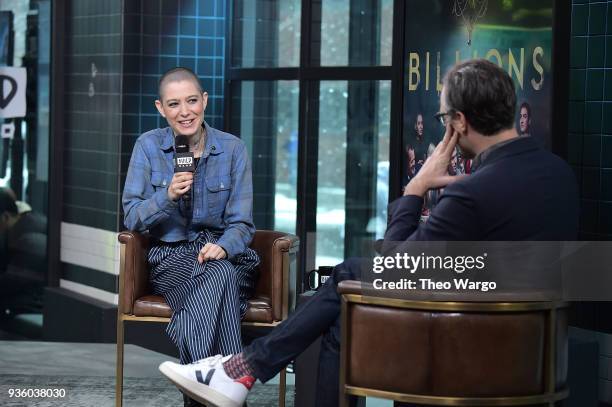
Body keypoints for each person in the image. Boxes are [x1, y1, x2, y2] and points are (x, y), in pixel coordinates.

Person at [158, 59, 579, 407]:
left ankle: (242, 370)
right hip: (533, 346)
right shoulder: (559, 174)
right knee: (346, 311)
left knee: (349, 278)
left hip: (470, 344)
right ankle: (242, 369)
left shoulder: (474, 192)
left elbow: (396, 267)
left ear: (460, 122)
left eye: (443, 118)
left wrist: (415, 189)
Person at [122, 67, 259, 406]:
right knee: (219, 279)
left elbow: (243, 224)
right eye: (174, 104)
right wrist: (165, 196)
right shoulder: (148, 147)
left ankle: (197, 383)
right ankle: (231, 383)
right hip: (172, 260)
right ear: (160, 108)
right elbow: (131, 217)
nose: (185, 112)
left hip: (228, 256)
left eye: (192, 101)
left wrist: (223, 247)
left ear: (205, 101)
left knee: (221, 271)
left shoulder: (233, 149)